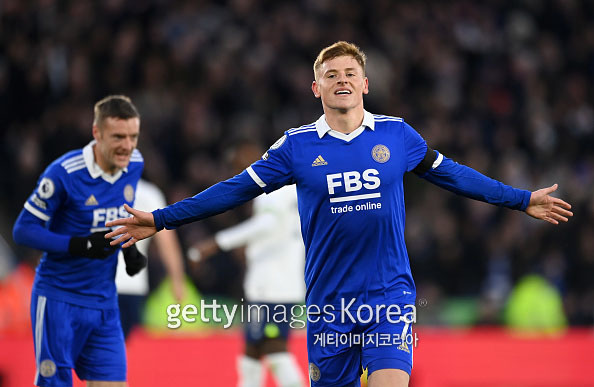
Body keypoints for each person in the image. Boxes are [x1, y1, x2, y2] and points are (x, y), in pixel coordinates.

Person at [105, 42, 573, 387]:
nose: (342, 79)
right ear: (316, 87)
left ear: (365, 84)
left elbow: (453, 174)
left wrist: (520, 199)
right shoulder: (295, 147)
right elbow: (232, 191)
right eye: (331, 74)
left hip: (389, 296)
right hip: (329, 304)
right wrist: (161, 219)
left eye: (350, 72)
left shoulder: (397, 135)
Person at [13, 95, 146, 387]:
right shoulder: (64, 173)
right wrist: (80, 245)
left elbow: (117, 214)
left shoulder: (134, 163)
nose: (128, 146)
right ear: (96, 133)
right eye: (118, 137)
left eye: (133, 136)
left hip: (104, 303)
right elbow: (23, 230)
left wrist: (129, 247)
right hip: (60, 299)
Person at [187, 141, 305, 387]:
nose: (237, 175)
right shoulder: (292, 189)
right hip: (283, 282)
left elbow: (266, 226)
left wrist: (215, 244)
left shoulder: (271, 192)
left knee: (275, 350)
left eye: (238, 167)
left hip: (271, 287)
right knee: (252, 350)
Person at [115, 178, 186, 339]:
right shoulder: (148, 193)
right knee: (119, 347)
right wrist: (177, 280)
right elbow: (167, 242)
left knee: (95, 347)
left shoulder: (91, 188)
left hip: (97, 284)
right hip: (133, 284)